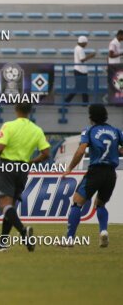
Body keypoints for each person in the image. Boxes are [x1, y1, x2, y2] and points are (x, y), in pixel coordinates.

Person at [0, 103, 50, 252]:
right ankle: (2, 243)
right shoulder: (37, 130)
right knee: (11, 207)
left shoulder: (9, 126)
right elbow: (46, 153)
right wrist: (31, 162)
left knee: (4, 205)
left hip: (7, 166)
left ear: (16, 110)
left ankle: (23, 232)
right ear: (30, 111)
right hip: (23, 169)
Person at [62, 104, 123, 247]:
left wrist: (70, 168)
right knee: (100, 204)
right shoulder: (116, 131)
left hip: (95, 171)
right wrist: (119, 151)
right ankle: (103, 231)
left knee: (77, 203)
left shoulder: (89, 131)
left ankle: (69, 239)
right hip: (110, 174)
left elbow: (81, 150)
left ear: (91, 117)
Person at [65, 36, 96, 104]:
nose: (86, 45)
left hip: (79, 70)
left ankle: (85, 102)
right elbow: (82, 60)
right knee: (79, 87)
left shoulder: (77, 48)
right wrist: (91, 56)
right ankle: (67, 100)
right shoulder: (80, 49)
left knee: (83, 87)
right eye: (85, 43)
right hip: (80, 71)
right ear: (83, 42)